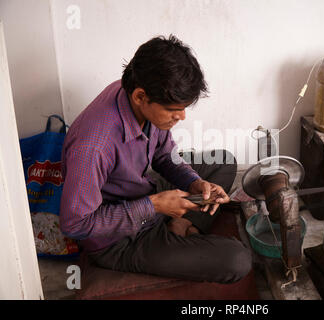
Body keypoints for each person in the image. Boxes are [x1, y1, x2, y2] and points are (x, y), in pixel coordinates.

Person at [59, 35, 252, 284]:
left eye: (184, 108)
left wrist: (194, 183)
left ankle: (180, 224)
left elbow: (164, 154)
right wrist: (154, 206)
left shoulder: (133, 92)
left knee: (223, 162)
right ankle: (178, 225)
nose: (181, 117)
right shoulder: (93, 147)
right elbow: (75, 225)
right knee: (237, 260)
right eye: (173, 110)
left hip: (143, 187)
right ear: (140, 97)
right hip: (119, 239)